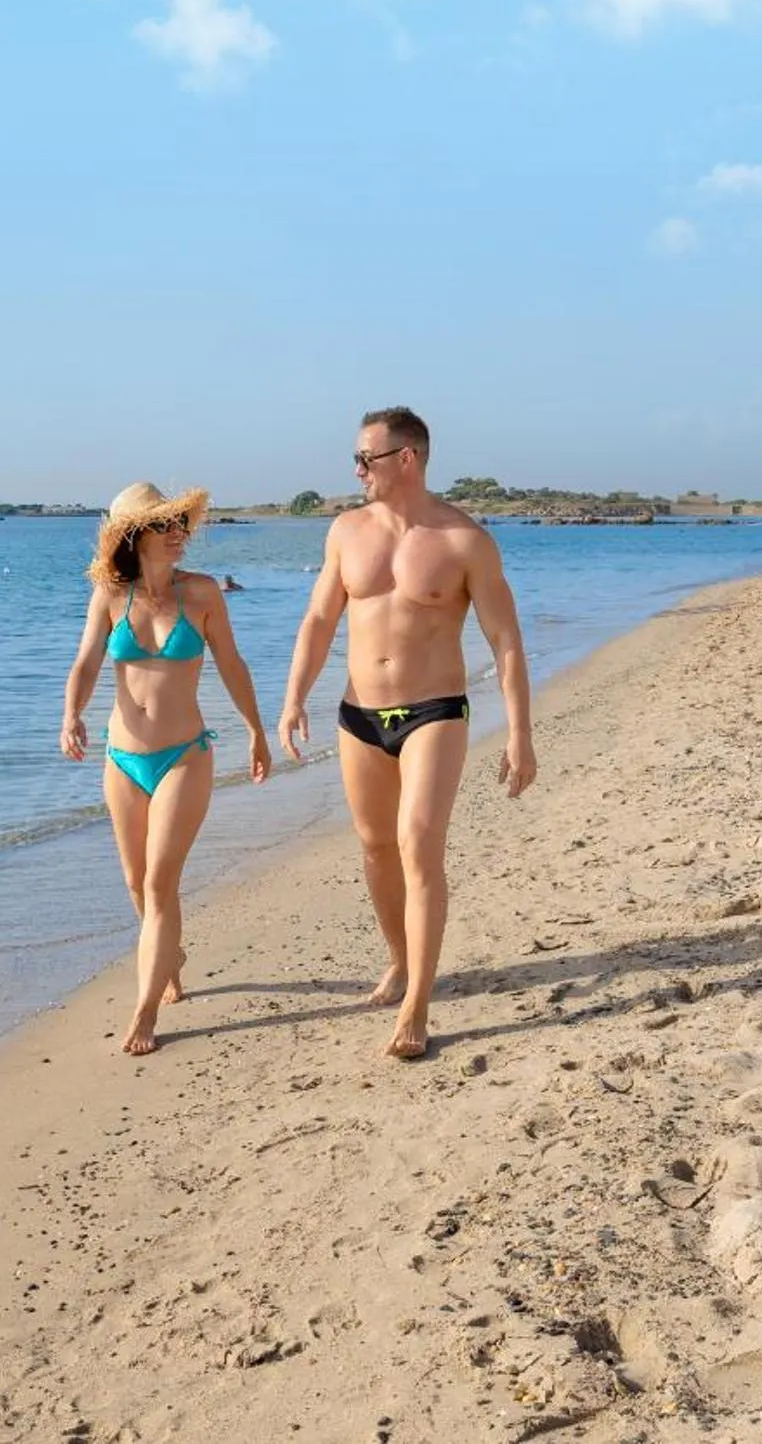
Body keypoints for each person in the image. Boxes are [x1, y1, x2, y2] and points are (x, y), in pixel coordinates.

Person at [280, 408, 534, 1059]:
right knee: (375, 846)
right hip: (359, 714)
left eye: (367, 458)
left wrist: (520, 733)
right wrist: (293, 697)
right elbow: (318, 619)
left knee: (418, 843)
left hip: (434, 711)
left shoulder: (464, 539)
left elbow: (504, 640)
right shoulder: (345, 532)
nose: (357, 469)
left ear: (408, 458)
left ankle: (418, 1002)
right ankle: (398, 958)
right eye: (357, 458)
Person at [61, 482, 270, 1056]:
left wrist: (256, 730)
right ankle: (169, 956)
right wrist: (71, 715)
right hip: (122, 758)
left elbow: (231, 663)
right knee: (137, 883)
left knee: (159, 882)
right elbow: (86, 660)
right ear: (135, 535)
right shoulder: (110, 595)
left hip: (184, 755)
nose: (180, 533)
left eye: (181, 523)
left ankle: (145, 1010)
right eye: (166, 525)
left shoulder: (202, 593)